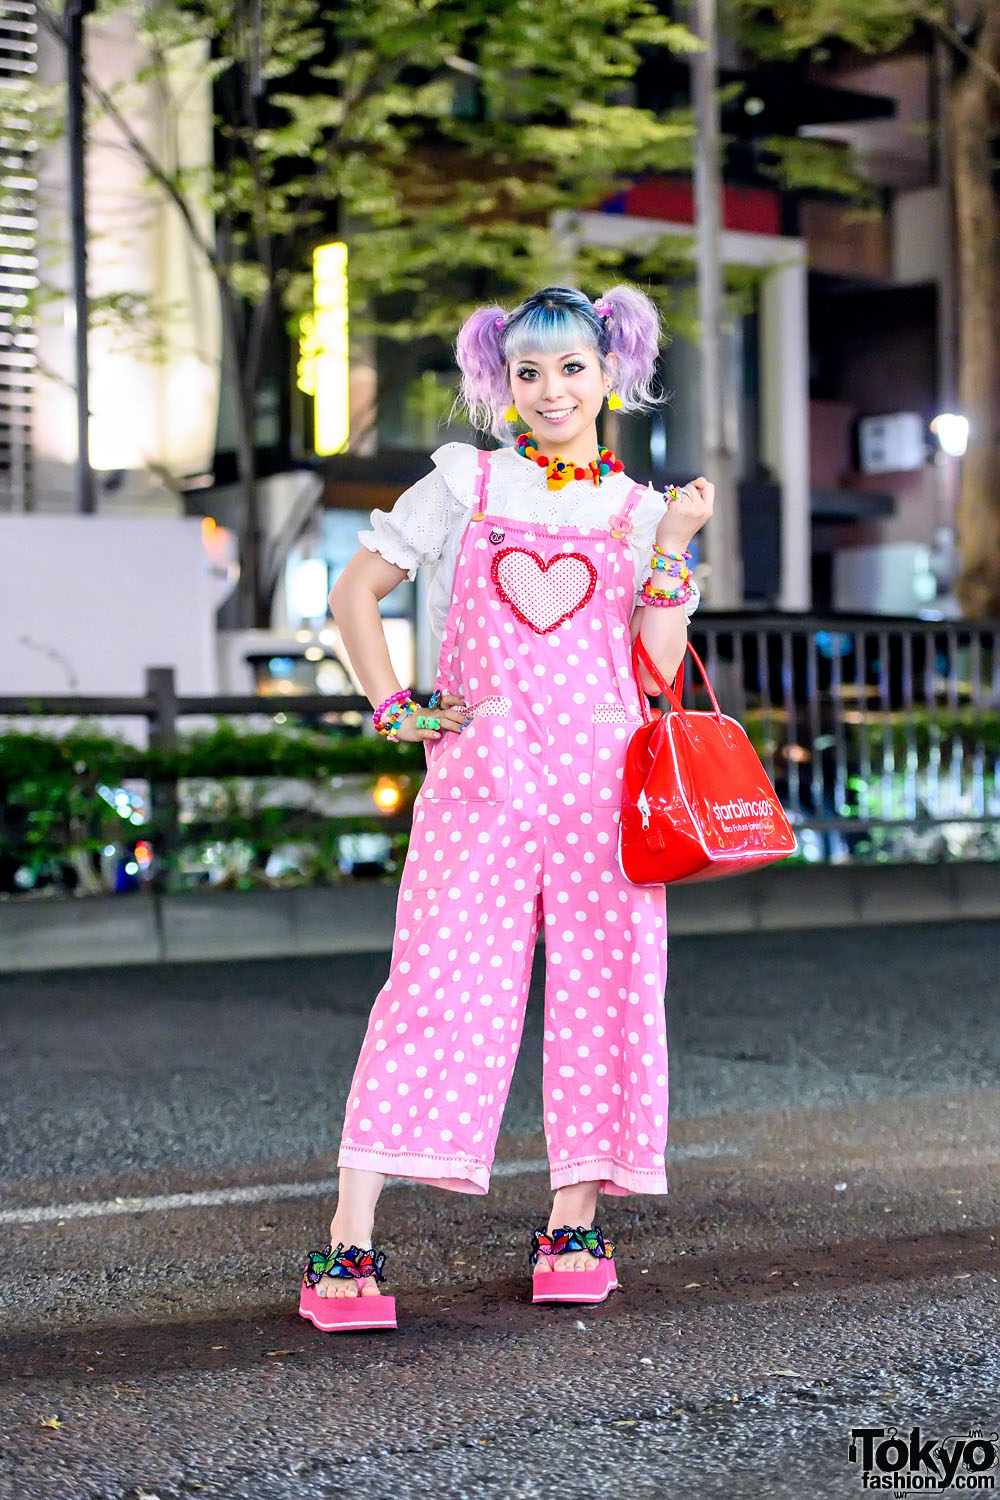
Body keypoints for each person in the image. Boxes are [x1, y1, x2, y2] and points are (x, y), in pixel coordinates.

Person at [298, 284, 714, 1331]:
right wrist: (394, 705)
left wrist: (674, 545)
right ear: (502, 381)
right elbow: (355, 592)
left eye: (571, 368)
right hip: (480, 787)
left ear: (609, 373)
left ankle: (572, 1222)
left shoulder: (635, 510)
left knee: (605, 994)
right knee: (434, 989)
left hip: (599, 792)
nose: (550, 391)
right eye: (528, 372)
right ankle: (349, 1246)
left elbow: (659, 668)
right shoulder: (465, 481)